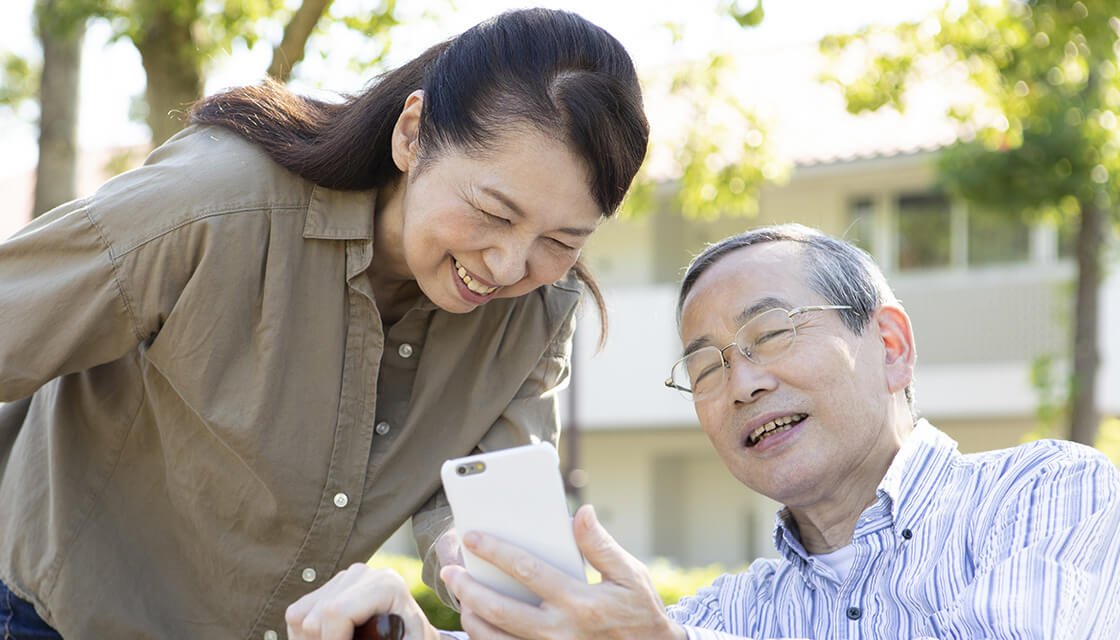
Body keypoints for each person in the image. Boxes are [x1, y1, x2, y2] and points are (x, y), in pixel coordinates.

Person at [0, 8, 648, 638]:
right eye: (495, 213)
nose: (510, 265)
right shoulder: (214, 202)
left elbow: (483, 498)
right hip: (44, 617)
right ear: (412, 133)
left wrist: (486, 566)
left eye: (562, 240)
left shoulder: (540, 309)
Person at [287, 223, 1120, 640]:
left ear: (891, 346)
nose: (742, 382)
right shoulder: (736, 613)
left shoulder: (1048, 494)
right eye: (707, 365)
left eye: (771, 334)